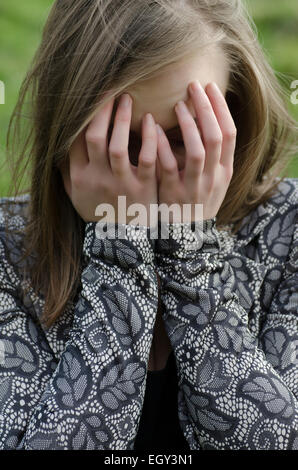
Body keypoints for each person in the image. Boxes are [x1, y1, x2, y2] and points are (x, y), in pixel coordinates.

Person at [0, 0, 297, 450]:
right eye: (121, 143)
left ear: (236, 115)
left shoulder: (289, 230)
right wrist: (118, 241)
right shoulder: (7, 247)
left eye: (186, 138)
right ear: (67, 132)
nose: (150, 172)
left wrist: (189, 244)